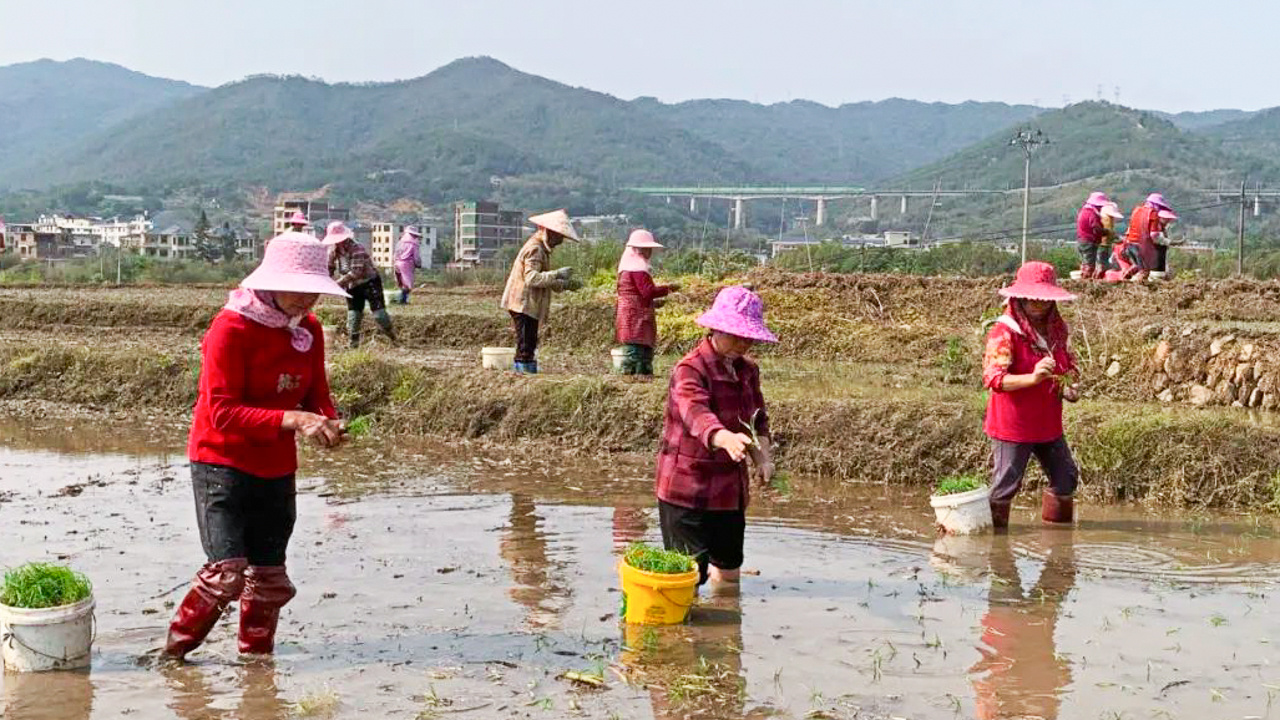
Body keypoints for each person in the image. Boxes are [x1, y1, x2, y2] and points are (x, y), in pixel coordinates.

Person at [164, 231, 348, 660]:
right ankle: (172, 658)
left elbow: (316, 393)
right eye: (299, 291)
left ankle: (256, 665)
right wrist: (296, 419)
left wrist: (327, 420)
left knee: (268, 578)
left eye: (314, 293)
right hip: (221, 462)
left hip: (275, 466)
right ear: (270, 282)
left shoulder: (309, 330)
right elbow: (221, 412)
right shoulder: (230, 329)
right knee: (226, 575)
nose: (308, 303)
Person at [655, 286, 776, 587]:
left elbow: (757, 421)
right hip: (687, 489)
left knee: (729, 568)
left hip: (727, 491)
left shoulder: (748, 371)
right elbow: (695, 413)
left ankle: (727, 632)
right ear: (715, 328)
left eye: (748, 337)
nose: (742, 343)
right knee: (690, 575)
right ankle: (689, 634)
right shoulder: (690, 369)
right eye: (735, 335)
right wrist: (724, 438)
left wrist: (763, 458)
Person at [981, 262, 1080, 529]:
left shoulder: (1058, 330)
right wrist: (1033, 378)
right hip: (1014, 424)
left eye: (1044, 300)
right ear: (1019, 298)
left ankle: (1058, 547)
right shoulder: (1004, 332)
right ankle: (996, 547)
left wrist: (1068, 387)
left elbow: (1067, 367)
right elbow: (994, 379)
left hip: (1047, 422)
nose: (1038, 305)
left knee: (1066, 478)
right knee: (1006, 485)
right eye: (1031, 299)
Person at [499, 209, 582, 374]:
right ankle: (523, 373)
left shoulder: (541, 248)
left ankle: (524, 370)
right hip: (522, 302)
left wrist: (564, 285)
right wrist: (557, 274)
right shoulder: (535, 249)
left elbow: (544, 279)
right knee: (525, 342)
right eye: (558, 237)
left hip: (528, 303)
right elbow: (532, 279)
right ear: (548, 232)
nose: (559, 241)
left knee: (529, 340)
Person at [615, 229, 681, 376]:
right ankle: (636, 374)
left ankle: (635, 374)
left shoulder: (627, 267)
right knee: (637, 346)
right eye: (647, 249)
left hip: (629, 310)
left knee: (634, 343)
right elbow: (648, 292)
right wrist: (669, 288)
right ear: (639, 250)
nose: (649, 252)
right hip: (636, 312)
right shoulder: (638, 268)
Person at [324, 221, 396, 347]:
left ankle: (392, 337)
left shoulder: (357, 248)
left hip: (369, 282)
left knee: (379, 315)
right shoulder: (334, 251)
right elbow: (329, 267)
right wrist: (326, 279)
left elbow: (356, 272)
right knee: (353, 315)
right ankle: (353, 344)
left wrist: (337, 284)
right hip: (351, 285)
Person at [1118, 193, 1177, 282]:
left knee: (1140, 269)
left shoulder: (1136, 210)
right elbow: (1154, 235)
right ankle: (1129, 286)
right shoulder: (1153, 214)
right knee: (1144, 272)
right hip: (1140, 247)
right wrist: (1167, 241)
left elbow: (1131, 228)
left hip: (1130, 244)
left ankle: (1126, 281)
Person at [1074, 191, 1110, 279]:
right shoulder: (1092, 214)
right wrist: (1105, 232)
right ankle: (1087, 279)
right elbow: (1096, 228)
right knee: (1090, 265)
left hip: (1081, 241)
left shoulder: (1083, 212)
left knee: (1085, 262)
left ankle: (1083, 277)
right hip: (1089, 242)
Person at [393, 226, 424, 305]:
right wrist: (418, 264)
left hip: (397, 262)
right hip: (407, 264)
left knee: (400, 283)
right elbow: (416, 257)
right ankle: (402, 300)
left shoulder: (400, 242)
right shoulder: (414, 244)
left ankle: (398, 298)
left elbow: (395, 253)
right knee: (407, 284)